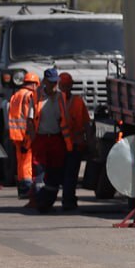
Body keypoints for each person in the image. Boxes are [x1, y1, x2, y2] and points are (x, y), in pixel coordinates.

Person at [29, 68, 79, 213]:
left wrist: (68, 142)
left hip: (57, 139)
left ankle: (48, 201)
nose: (53, 86)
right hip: (41, 138)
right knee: (39, 171)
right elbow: (30, 120)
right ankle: (39, 200)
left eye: (55, 83)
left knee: (55, 171)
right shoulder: (36, 96)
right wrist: (34, 140)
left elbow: (64, 120)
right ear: (44, 82)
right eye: (51, 83)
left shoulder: (60, 97)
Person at [56, 72, 91, 211]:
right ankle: (68, 200)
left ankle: (68, 199)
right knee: (70, 174)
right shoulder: (74, 101)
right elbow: (87, 124)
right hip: (69, 144)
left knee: (67, 173)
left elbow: (86, 123)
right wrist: (90, 141)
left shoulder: (57, 101)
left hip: (67, 144)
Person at [6, 71, 40, 199]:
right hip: (26, 133)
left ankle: (21, 186)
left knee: (20, 161)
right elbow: (29, 118)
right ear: (34, 84)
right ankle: (26, 186)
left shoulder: (15, 96)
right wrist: (29, 136)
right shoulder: (30, 96)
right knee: (27, 162)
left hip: (15, 134)